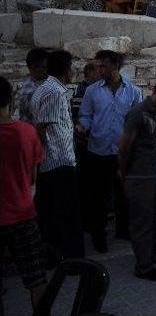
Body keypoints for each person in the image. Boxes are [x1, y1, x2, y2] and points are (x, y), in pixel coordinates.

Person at [78, 50, 143, 252]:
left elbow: (137, 121)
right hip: (98, 151)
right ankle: (99, 236)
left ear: (115, 66)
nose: (99, 69)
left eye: (103, 66)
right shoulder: (92, 91)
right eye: (98, 66)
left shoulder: (133, 92)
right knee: (97, 197)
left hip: (123, 153)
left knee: (124, 194)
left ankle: (124, 231)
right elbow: (86, 115)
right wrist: (82, 126)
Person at [118, 76, 156, 282]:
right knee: (142, 222)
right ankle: (144, 266)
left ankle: (151, 255)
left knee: (154, 215)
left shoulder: (155, 112)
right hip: (138, 176)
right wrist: (123, 173)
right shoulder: (138, 114)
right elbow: (125, 147)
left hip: (150, 173)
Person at [30, 50, 85, 266]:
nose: (73, 72)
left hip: (54, 161)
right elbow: (41, 127)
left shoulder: (47, 88)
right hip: (57, 162)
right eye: (71, 68)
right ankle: (69, 260)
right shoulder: (53, 92)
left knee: (52, 214)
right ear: (65, 70)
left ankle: (56, 256)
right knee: (65, 215)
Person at [0, 76, 48, 312]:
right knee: (36, 279)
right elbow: (32, 178)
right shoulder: (27, 133)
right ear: (10, 100)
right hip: (22, 214)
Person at [71, 62, 98, 234]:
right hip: (85, 143)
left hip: (93, 143)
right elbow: (79, 119)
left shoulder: (95, 90)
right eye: (98, 70)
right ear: (89, 73)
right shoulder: (82, 92)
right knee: (87, 182)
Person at [18, 48, 48, 124]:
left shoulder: (36, 83)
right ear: (34, 68)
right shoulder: (30, 91)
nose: (48, 70)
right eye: (45, 67)